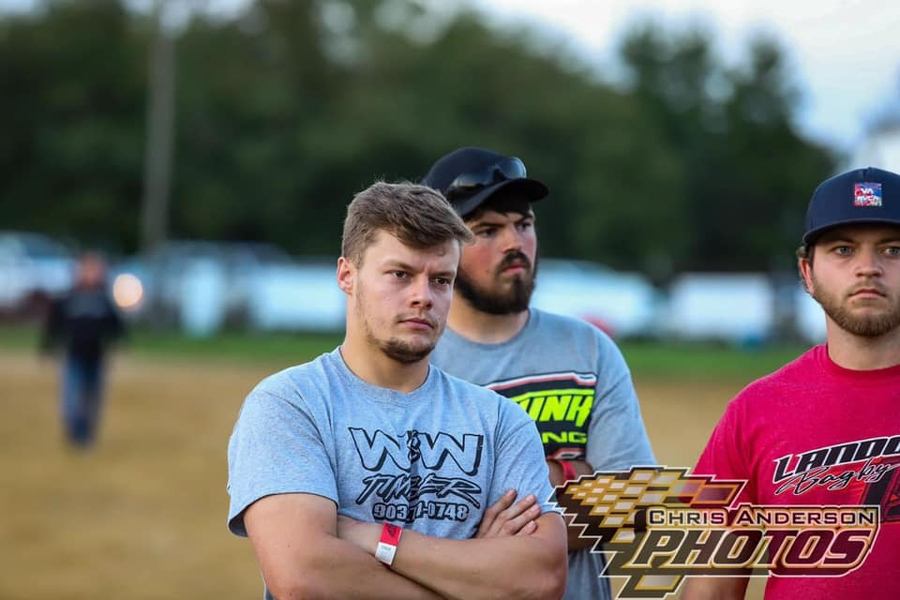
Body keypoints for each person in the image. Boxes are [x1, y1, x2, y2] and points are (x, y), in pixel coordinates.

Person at [226, 181, 568, 600]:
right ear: (347, 275)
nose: (423, 297)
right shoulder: (292, 404)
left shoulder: (500, 422)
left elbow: (543, 577)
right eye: (400, 275)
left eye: (441, 280)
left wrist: (377, 538)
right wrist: (475, 574)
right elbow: (304, 578)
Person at [422, 147, 657, 600]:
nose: (514, 243)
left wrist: (488, 530)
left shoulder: (588, 350)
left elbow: (639, 502)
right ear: (439, 248)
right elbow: (407, 522)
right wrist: (571, 474)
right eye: (487, 230)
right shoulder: (417, 363)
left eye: (523, 224)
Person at [682, 166, 900, 600]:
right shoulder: (756, 409)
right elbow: (712, 587)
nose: (868, 268)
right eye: (843, 249)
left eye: (893, 250)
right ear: (807, 272)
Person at [41, 251, 126, 448]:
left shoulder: (103, 300)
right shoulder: (68, 298)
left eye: (95, 270)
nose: (91, 274)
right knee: (71, 397)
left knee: (92, 398)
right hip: (74, 355)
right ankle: (75, 430)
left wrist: (120, 344)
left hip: (96, 356)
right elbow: (54, 325)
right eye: (87, 269)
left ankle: (88, 433)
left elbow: (116, 326)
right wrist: (47, 346)